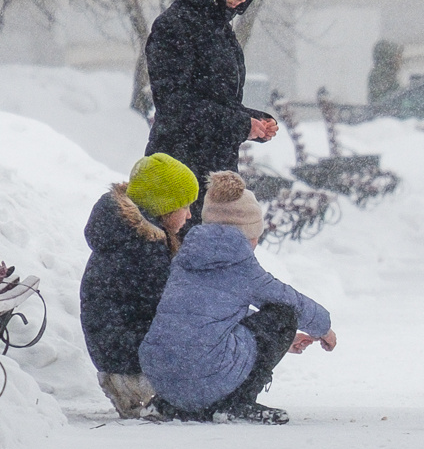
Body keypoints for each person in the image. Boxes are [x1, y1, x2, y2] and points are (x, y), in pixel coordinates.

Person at [139, 171, 335, 424]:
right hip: (205, 371)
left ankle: (166, 404)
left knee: (187, 336)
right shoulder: (242, 265)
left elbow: (211, 314)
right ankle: (238, 404)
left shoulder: (185, 257)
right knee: (283, 316)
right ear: (250, 234)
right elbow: (290, 302)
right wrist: (324, 328)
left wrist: (284, 342)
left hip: (160, 370)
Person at [144, 0, 280, 186]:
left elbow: (215, 100)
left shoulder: (220, 31)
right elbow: (175, 106)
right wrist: (240, 124)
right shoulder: (174, 27)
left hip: (213, 171)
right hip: (178, 172)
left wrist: (254, 122)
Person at [79, 153, 198, 419]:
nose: (190, 215)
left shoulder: (126, 236)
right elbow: (169, 308)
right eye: (185, 206)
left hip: (116, 352)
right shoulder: (144, 248)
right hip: (130, 358)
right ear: (165, 207)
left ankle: (132, 384)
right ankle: (138, 388)